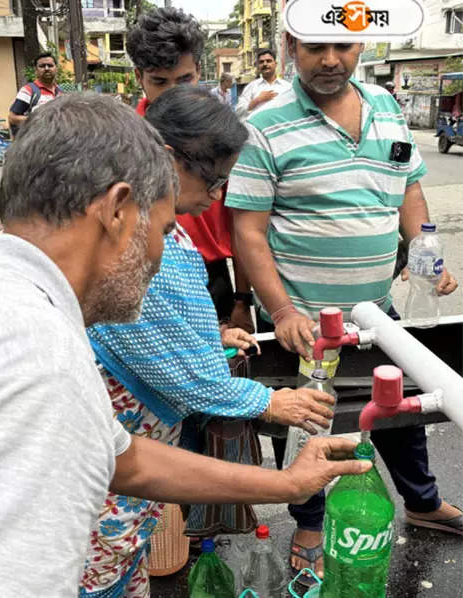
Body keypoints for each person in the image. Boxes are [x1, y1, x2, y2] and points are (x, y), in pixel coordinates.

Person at [0, 92, 372, 598]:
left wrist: (287, 484)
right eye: (166, 228)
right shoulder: (34, 362)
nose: (161, 256)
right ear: (116, 211)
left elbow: (125, 459)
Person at [227, 0, 463, 577]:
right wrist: (279, 310)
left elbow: (407, 188)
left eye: (344, 44)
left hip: (377, 313)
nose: (330, 59)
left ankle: (424, 503)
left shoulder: (387, 106)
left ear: (363, 41)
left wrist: (422, 249)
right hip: (305, 320)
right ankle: (308, 524)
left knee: (400, 408)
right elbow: (248, 230)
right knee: (311, 423)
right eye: (314, 46)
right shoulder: (265, 124)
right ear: (289, 43)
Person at [80, 85, 337, 597]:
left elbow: (145, 330)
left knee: (128, 555)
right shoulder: (147, 240)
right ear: (168, 161)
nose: (219, 194)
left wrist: (212, 335)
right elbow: (185, 374)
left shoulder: (162, 230)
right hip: (117, 455)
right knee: (101, 567)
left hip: (137, 450)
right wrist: (270, 401)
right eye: (215, 177)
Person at [128, 6, 255, 332]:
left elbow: (241, 223)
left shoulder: (223, 137)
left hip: (212, 276)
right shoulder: (126, 138)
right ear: (139, 76)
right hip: (146, 281)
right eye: (160, 81)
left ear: (199, 70)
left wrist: (243, 299)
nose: (175, 93)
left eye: (185, 79)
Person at [8, 52, 63, 134]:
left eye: (50, 65)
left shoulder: (60, 92)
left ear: (56, 69)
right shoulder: (28, 90)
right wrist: (40, 120)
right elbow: (12, 118)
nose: (46, 68)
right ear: (36, 70)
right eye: (42, 66)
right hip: (35, 142)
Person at [235, 48, 292, 118]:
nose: (265, 64)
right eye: (261, 62)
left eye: (268, 61)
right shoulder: (251, 87)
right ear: (258, 66)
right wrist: (257, 100)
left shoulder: (287, 87)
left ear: (275, 64)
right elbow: (239, 111)